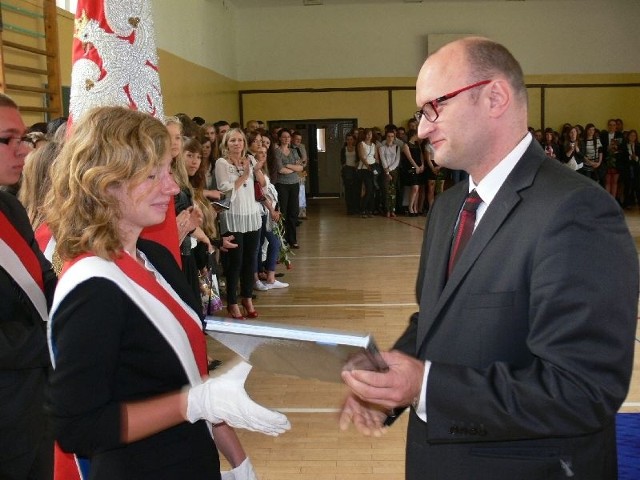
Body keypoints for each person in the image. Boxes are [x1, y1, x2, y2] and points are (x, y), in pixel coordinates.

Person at [340, 37, 638, 480]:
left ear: (494, 96)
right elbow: (435, 320)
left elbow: (582, 390)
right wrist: (388, 379)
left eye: (433, 107)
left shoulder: (576, 211)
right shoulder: (449, 207)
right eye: (419, 113)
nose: (421, 129)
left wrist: (424, 385)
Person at [45, 106, 289, 480]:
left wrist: (238, 460)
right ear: (107, 183)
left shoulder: (155, 257)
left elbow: (188, 373)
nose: (173, 187)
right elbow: (79, 427)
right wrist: (192, 404)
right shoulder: (92, 290)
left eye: (169, 171)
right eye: (153, 175)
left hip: (192, 458)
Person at [0, 93, 55, 479]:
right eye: (9, 139)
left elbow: (44, 279)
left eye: (24, 138)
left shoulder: (10, 209)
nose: (23, 151)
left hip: (37, 409)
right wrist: (58, 337)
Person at [215, 128, 266, 319]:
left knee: (250, 260)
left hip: (252, 214)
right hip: (234, 216)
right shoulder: (221, 163)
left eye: (240, 140)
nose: (237, 144)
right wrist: (244, 175)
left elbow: (262, 184)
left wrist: (257, 168)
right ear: (226, 143)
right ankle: (233, 302)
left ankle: (247, 297)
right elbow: (225, 191)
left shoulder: (250, 160)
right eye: (232, 140)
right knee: (235, 262)